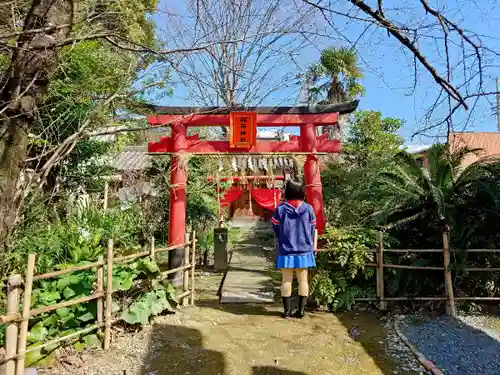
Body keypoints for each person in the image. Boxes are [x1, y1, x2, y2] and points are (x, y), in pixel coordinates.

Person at [272, 179, 316, 318]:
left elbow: (275, 227)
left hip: (286, 250)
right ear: (302, 191)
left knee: (286, 280)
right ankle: (301, 311)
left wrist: (283, 238)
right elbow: (313, 227)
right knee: (303, 280)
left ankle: (287, 312)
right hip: (304, 250)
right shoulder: (308, 209)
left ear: (287, 192)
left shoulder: (280, 209)